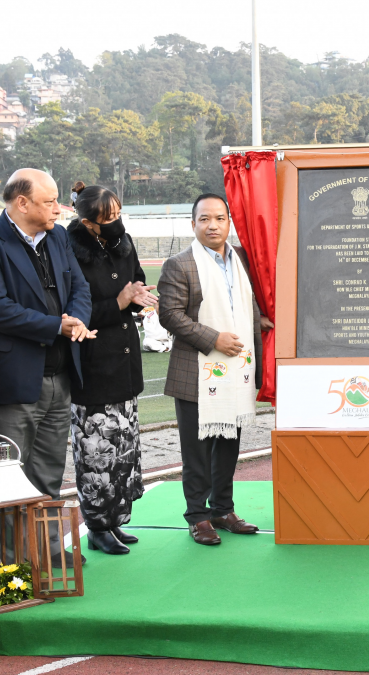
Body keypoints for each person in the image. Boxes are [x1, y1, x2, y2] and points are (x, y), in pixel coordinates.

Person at [0, 168, 95, 565]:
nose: (59, 207)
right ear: (22, 203)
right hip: (14, 380)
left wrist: (77, 320)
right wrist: (58, 325)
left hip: (59, 376)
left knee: (49, 472)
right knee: (8, 478)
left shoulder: (57, 237)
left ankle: (48, 552)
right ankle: (10, 564)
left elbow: (80, 288)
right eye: (50, 200)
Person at [158, 194, 263, 546]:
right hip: (197, 371)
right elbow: (170, 315)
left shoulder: (242, 259)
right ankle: (198, 517)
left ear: (229, 222)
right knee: (197, 450)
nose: (213, 225)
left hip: (236, 370)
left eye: (219, 218)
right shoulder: (180, 264)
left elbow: (247, 307)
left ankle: (222, 508)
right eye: (204, 219)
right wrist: (214, 338)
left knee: (229, 445)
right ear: (193, 224)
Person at [67, 183, 158, 555]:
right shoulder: (69, 249)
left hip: (124, 362)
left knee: (124, 450)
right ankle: (96, 525)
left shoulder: (123, 241)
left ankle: (116, 519)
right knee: (94, 453)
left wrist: (137, 300)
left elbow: (133, 283)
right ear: (89, 223)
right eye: (109, 219)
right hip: (92, 365)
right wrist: (119, 302)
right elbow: (72, 310)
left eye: (119, 214)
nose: (117, 223)